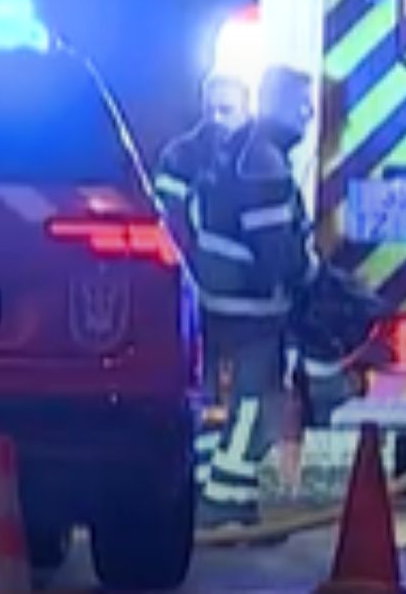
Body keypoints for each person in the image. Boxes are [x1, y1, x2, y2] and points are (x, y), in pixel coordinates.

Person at [154, 65, 315, 530]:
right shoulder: (261, 159)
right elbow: (276, 249)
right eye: (302, 105)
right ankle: (225, 500)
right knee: (254, 400)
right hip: (249, 302)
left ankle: (211, 493)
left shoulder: (213, 154)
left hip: (203, 295)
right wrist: (310, 276)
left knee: (203, 397)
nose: (307, 115)